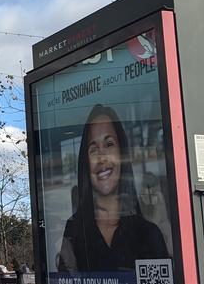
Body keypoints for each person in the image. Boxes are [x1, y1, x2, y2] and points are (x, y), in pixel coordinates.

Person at [57, 104, 169, 273]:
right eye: (93, 149)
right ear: (86, 162)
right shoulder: (74, 232)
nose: (102, 158)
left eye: (109, 144)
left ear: (121, 153)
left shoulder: (148, 234)